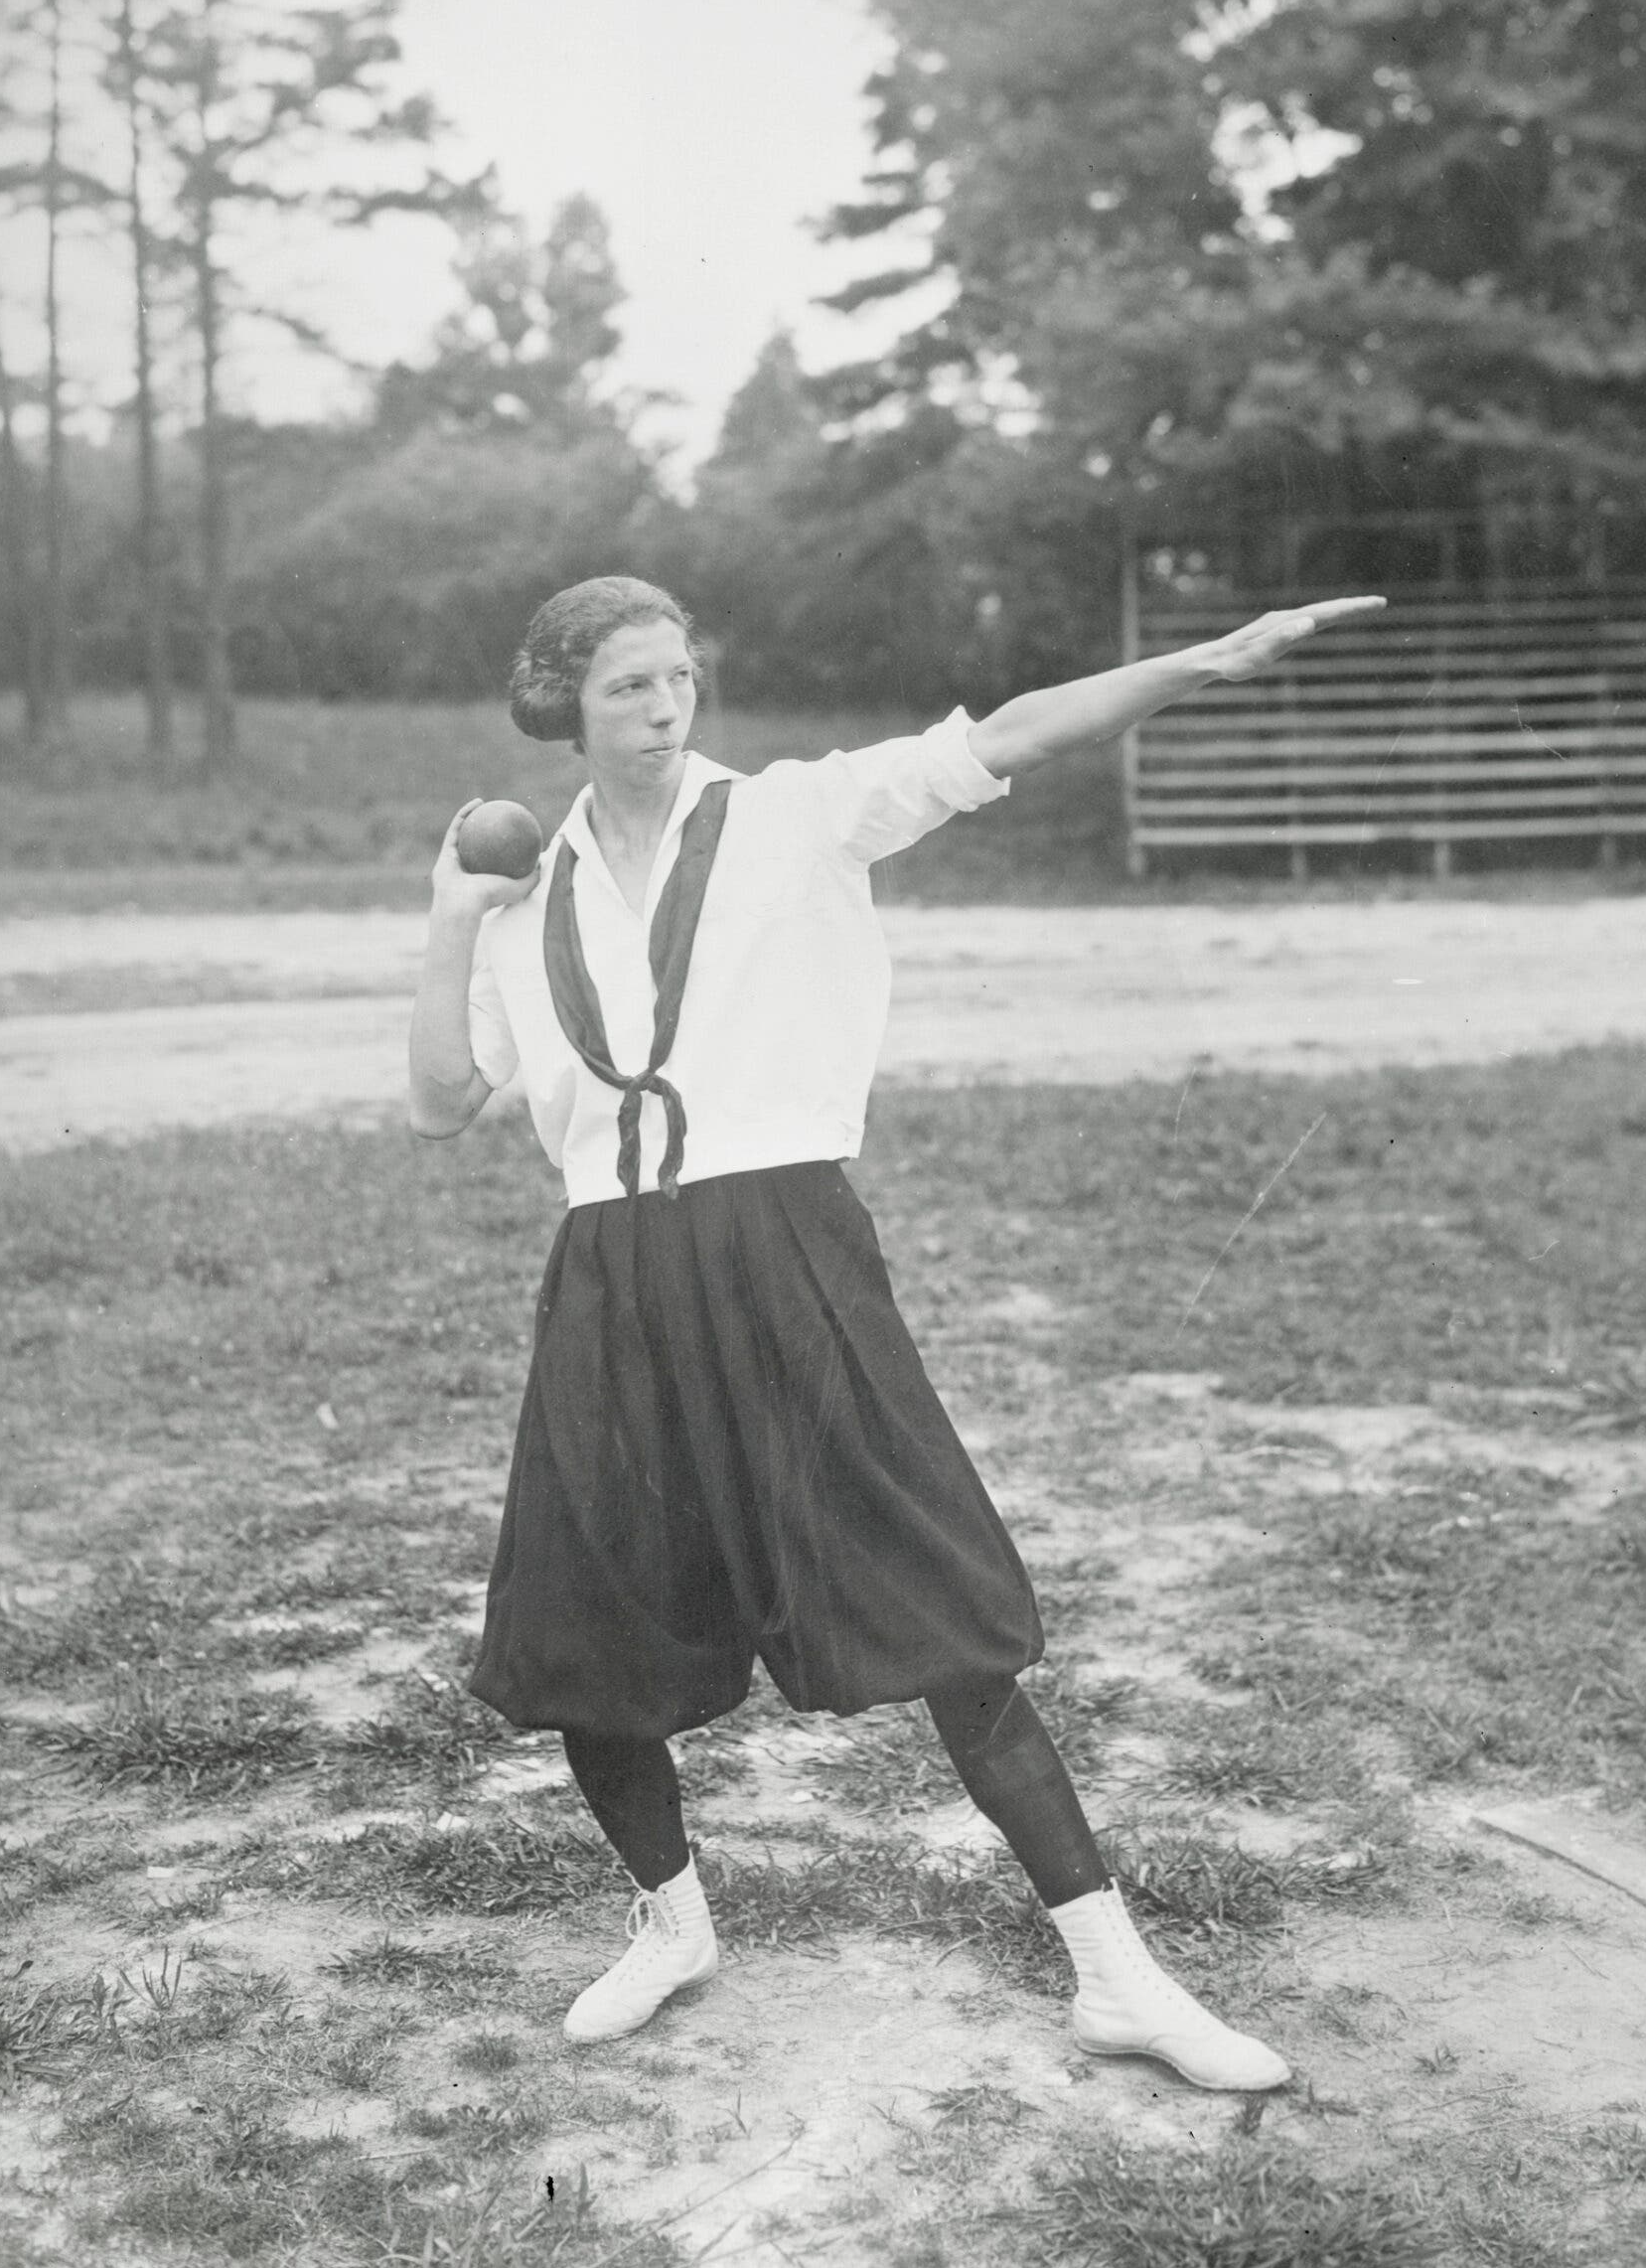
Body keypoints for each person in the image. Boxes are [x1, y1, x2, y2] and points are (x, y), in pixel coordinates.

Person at [407, 574, 1382, 2088]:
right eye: (627, 690)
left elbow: (1007, 737)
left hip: (784, 1250)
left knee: (941, 1616)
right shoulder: (530, 888)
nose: (666, 709)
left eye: (680, 677)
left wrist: (1205, 659)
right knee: (581, 1628)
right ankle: (671, 1926)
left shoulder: (800, 813)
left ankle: (1118, 1977)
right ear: (561, 708)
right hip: (611, 1273)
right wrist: (449, 920)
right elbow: (440, 1103)